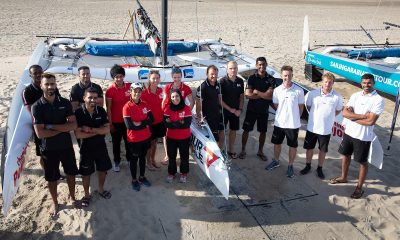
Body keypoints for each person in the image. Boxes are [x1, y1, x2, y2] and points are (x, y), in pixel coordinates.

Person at [330, 73, 384, 199]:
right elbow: (344, 113)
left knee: (362, 162)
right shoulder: (356, 95)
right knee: (345, 155)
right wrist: (362, 116)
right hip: (349, 133)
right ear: (361, 83)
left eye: (369, 83)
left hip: (363, 136)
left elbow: (371, 122)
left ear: (374, 83)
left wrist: (352, 117)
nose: (366, 85)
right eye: (364, 83)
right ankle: (343, 177)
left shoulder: (378, 100)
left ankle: (359, 188)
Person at [31, 73, 78, 216]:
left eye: (53, 83)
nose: (50, 87)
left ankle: (73, 196)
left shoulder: (64, 103)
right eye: (47, 84)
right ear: (41, 85)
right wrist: (63, 127)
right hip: (48, 149)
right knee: (52, 178)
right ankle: (55, 202)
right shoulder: (37, 107)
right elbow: (40, 134)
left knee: (71, 174)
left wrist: (50, 126)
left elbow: (74, 125)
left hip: (66, 146)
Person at [300, 72, 343, 179]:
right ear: (322, 82)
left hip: (326, 129)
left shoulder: (337, 97)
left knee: (323, 150)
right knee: (309, 148)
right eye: (325, 82)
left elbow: (337, 111)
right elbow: (308, 107)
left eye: (330, 82)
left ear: (333, 83)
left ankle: (319, 168)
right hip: (312, 127)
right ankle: (308, 166)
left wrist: (327, 118)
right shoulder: (312, 94)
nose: (327, 84)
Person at [74, 87, 112, 207]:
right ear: (84, 98)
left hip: (101, 146)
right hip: (86, 148)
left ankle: (100, 189)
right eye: (90, 97)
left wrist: (90, 130)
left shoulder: (101, 111)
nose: (93, 100)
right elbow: (78, 134)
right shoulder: (78, 113)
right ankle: (86, 195)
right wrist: (99, 131)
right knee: (86, 173)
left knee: (102, 170)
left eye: (95, 98)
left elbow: (107, 129)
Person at [265, 65, 304, 178]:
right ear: (282, 76)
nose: (287, 77)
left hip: (293, 124)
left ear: (292, 75)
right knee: (277, 144)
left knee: (292, 146)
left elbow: (301, 107)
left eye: (289, 75)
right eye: (285, 75)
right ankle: (276, 161)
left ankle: (290, 165)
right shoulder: (277, 90)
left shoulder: (299, 90)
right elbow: (276, 105)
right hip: (279, 123)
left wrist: (295, 118)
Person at [238, 57, 275, 161]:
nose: (261, 66)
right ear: (256, 65)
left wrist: (257, 92)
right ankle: (243, 150)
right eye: (259, 64)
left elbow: (270, 96)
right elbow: (248, 95)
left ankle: (260, 151)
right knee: (246, 130)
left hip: (264, 110)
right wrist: (264, 95)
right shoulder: (252, 78)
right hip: (251, 110)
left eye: (263, 64)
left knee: (263, 132)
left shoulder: (271, 79)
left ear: (266, 64)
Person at [23, 65, 60, 167]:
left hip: (55, 122)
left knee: (57, 150)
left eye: (40, 72)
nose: (38, 74)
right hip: (40, 125)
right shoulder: (27, 91)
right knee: (44, 154)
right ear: (30, 75)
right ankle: (47, 172)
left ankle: (55, 171)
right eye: (35, 73)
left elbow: (58, 102)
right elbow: (31, 111)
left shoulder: (51, 87)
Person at [123, 82, 153, 192]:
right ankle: (134, 180)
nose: (137, 93)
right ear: (130, 92)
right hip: (134, 140)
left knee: (142, 158)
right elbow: (129, 126)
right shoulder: (127, 107)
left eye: (139, 91)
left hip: (145, 137)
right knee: (134, 160)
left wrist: (139, 123)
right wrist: (145, 123)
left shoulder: (145, 104)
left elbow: (152, 120)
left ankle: (142, 177)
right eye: (135, 91)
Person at [161, 67, 194, 164]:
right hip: (169, 112)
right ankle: (168, 155)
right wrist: (164, 114)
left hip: (180, 114)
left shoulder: (186, 87)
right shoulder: (167, 87)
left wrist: (187, 113)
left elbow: (192, 101)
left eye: (179, 77)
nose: (177, 79)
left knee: (180, 133)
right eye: (175, 77)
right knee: (167, 134)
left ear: (181, 76)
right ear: (172, 77)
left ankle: (180, 153)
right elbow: (164, 101)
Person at [105, 64, 132, 172]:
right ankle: (117, 161)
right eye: (116, 77)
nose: (119, 79)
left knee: (128, 141)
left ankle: (130, 159)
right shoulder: (110, 90)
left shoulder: (129, 86)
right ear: (113, 77)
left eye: (121, 76)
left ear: (123, 76)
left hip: (128, 120)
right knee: (116, 143)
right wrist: (110, 124)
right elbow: (109, 108)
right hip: (116, 121)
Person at [164, 89, 192, 183]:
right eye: (172, 97)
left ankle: (184, 173)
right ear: (170, 98)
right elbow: (167, 124)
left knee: (184, 156)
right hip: (171, 137)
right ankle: (171, 173)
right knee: (172, 156)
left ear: (180, 97)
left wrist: (173, 123)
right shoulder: (167, 109)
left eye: (177, 96)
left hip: (184, 137)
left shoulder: (187, 108)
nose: (175, 98)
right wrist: (180, 122)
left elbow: (187, 124)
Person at [219, 61, 244, 159]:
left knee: (233, 130)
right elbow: (219, 100)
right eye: (231, 68)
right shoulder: (222, 81)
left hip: (236, 111)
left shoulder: (240, 81)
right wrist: (231, 109)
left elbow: (241, 97)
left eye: (235, 68)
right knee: (222, 131)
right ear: (227, 69)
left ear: (237, 69)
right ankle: (220, 149)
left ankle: (231, 149)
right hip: (224, 111)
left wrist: (240, 110)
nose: (233, 70)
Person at [141, 70, 165, 170]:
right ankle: (148, 162)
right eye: (153, 78)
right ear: (149, 79)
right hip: (150, 123)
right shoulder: (144, 93)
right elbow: (142, 109)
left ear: (159, 79)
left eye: (157, 78)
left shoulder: (161, 91)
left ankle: (153, 160)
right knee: (149, 144)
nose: (155, 80)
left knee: (154, 143)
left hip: (159, 121)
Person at [195, 65, 223, 146]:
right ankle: (216, 155)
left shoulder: (218, 84)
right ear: (207, 74)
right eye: (212, 74)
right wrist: (199, 116)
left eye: (216, 74)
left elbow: (219, 99)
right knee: (214, 137)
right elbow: (198, 102)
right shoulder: (202, 87)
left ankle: (220, 150)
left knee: (220, 132)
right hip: (208, 117)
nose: (214, 76)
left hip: (218, 114)